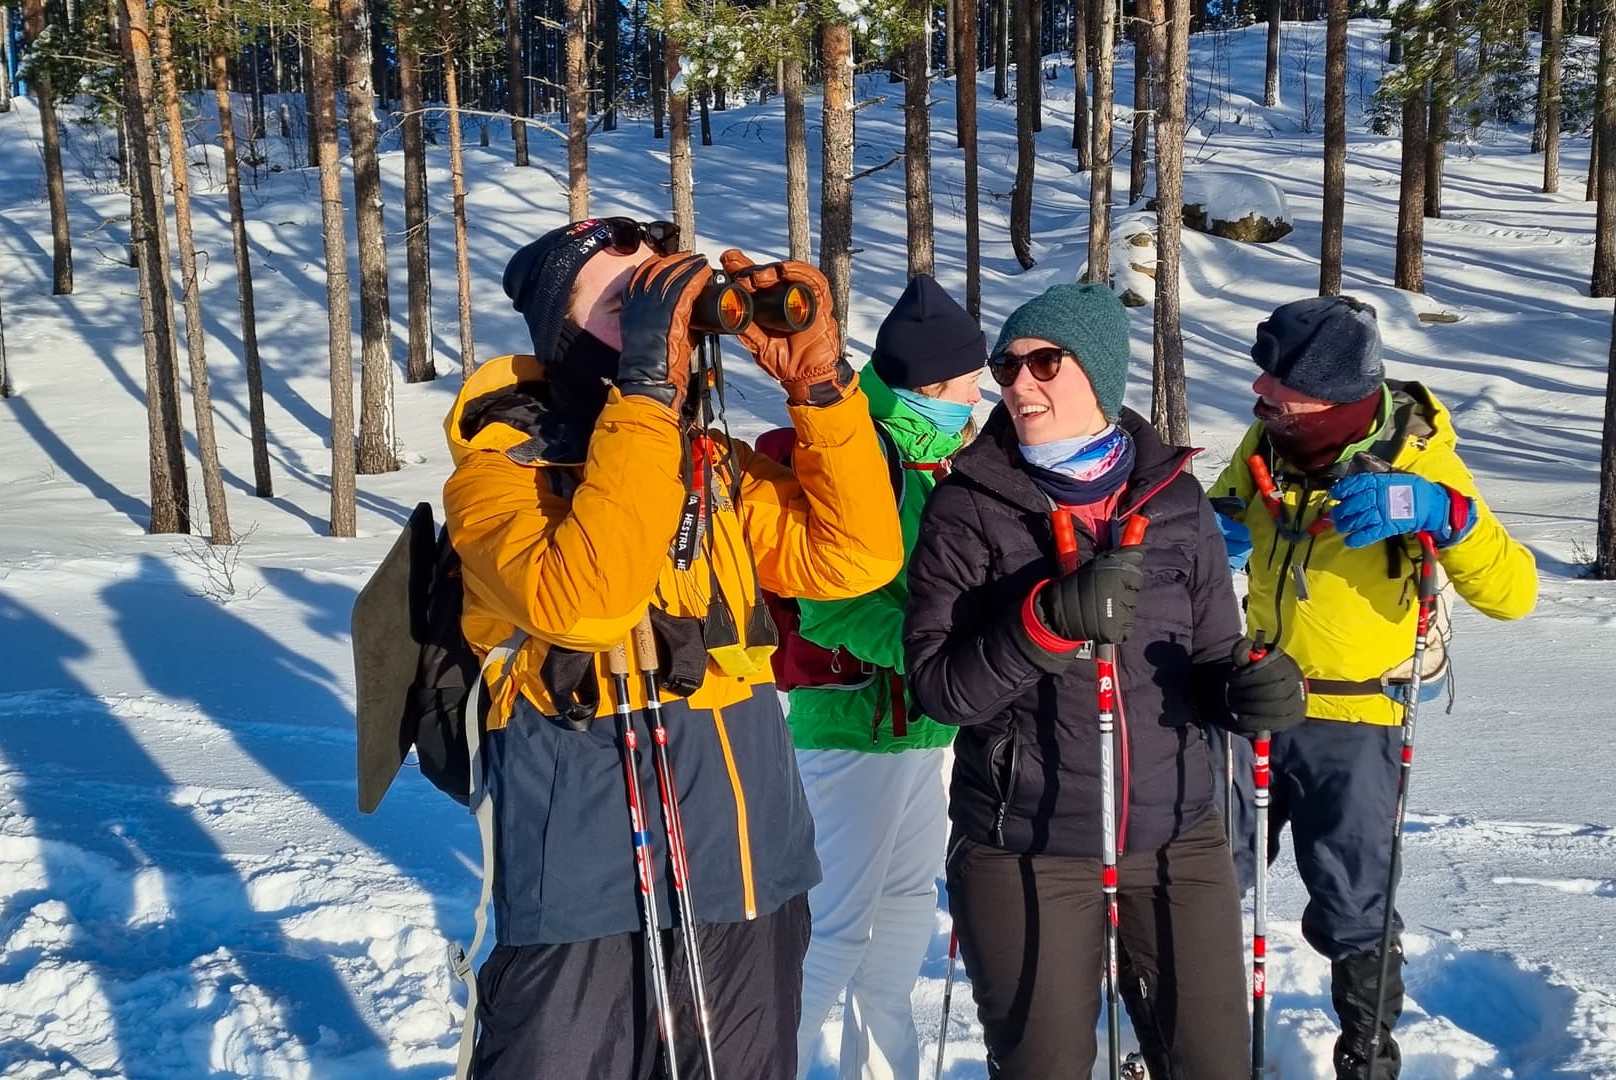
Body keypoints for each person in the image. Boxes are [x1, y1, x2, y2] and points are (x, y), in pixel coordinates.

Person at [442, 216, 904, 1079]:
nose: (668, 324)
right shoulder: (499, 478)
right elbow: (583, 603)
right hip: (584, 887)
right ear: (568, 332)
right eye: (631, 304)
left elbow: (855, 556)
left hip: (750, 866)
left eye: (671, 299)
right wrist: (646, 391)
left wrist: (821, 389)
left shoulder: (712, 468)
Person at [902, 282, 1309, 1079]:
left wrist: (1247, 692)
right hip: (1026, 845)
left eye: (1044, 362)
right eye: (1006, 366)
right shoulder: (966, 507)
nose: (1018, 384)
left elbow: (1211, 663)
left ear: (1100, 373)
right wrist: (1043, 625)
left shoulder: (1176, 501)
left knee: (1214, 1063)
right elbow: (940, 688)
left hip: (1177, 839)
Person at [1208, 295, 1538, 1080]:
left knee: (1353, 898)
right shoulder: (1271, 442)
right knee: (1202, 877)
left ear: (1332, 396)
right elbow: (1226, 511)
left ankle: (1365, 1050)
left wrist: (1447, 516)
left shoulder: (1420, 464)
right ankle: (1183, 1034)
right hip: (1250, 700)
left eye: (1278, 387)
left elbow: (1515, 593)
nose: (1259, 396)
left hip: (1357, 716)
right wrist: (1210, 523)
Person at [769, 274, 987, 1080]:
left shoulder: (932, 462)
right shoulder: (868, 457)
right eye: (968, 387)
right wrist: (946, 650)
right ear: (930, 387)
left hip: (921, 734)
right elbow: (830, 609)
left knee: (896, 941)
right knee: (830, 938)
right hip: (854, 730)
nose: (976, 402)